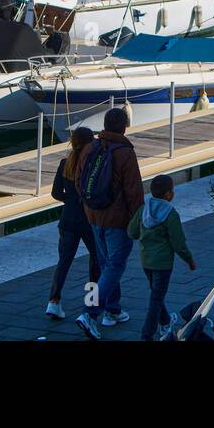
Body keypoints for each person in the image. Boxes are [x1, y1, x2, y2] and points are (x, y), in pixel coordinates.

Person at [74, 107, 144, 340]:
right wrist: (138, 220)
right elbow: (134, 190)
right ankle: (89, 312)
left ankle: (112, 311)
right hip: (117, 220)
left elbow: (79, 181)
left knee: (105, 266)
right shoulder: (125, 152)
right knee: (115, 266)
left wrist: (88, 207)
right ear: (124, 127)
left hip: (94, 216)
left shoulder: (89, 147)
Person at [128, 174, 196, 341]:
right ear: (168, 194)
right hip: (163, 264)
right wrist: (190, 261)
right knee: (156, 299)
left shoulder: (143, 209)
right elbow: (178, 243)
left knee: (156, 294)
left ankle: (165, 320)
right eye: (172, 190)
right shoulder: (171, 214)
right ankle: (147, 334)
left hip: (146, 261)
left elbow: (131, 232)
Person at [45, 127, 101, 322]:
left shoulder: (65, 163)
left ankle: (54, 300)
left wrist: (70, 201)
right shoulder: (92, 164)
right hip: (88, 219)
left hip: (68, 219)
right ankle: (91, 302)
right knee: (96, 260)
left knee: (64, 262)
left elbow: (55, 193)